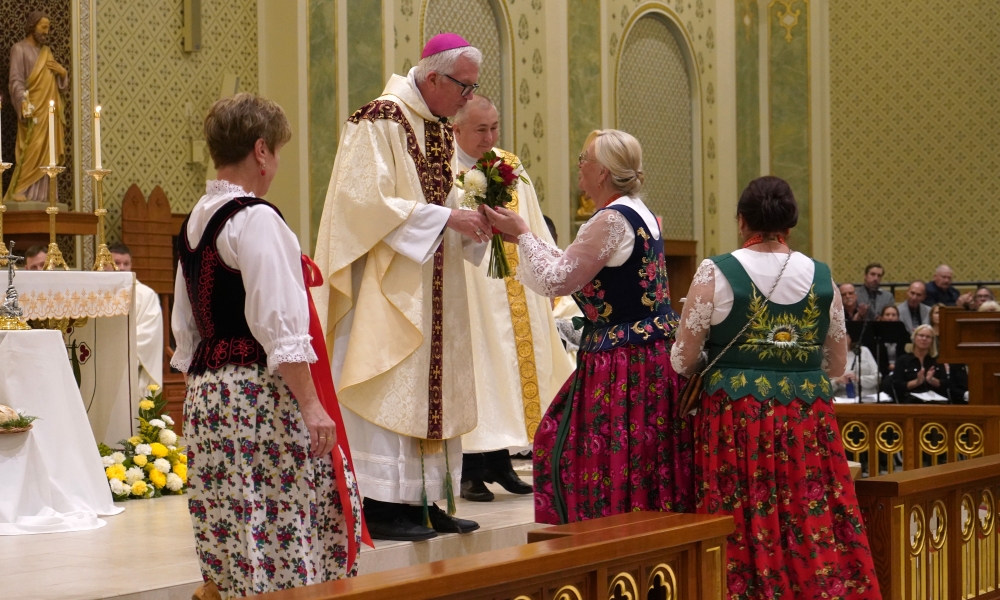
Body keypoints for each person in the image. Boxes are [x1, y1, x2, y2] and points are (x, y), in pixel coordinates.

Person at [171, 94, 362, 598]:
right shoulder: (256, 219)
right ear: (260, 151)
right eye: (276, 151)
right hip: (259, 397)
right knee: (287, 523)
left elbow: (186, 328)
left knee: (234, 525)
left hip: (209, 398)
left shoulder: (196, 220)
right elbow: (278, 324)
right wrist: (311, 404)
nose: (276, 163)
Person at [312, 33, 489, 541]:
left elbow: (446, 195)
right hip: (389, 287)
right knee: (393, 381)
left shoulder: (436, 127)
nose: (468, 99)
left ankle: (426, 500)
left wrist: (474, 218)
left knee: (432, 388)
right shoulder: (379, 120)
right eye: (464, 87)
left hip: (437, 281)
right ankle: (384, 504)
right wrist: (445, 218)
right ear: (434, 77)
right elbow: (362, 202)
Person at [670, 176, 879, 598]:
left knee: (741, 518)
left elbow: (682, 360)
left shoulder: (716, 270)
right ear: (791, 222)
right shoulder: (822, 277)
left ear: (742, 220)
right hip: (806, 419)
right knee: (810, 512)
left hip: (735, 419)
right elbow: (837, 364)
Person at [484, 129, 692, 525]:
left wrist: (523, 234)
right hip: (650, 352)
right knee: (643, 458)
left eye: (585, 159)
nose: (579, 165)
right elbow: (570, 265)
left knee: (584, 453)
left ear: (603, 173)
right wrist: (522, 235)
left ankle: (603, 542)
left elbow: (558, 280)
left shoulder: (610, 220)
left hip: (623, 362)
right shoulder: (638, 211)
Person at [452, 95, 574, 503]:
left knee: (510, 368)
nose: (491, 137)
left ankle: (500, 463)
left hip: (513, 285)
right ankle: (471, 469)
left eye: (495, 127)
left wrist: (540, 271)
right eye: (481, 130)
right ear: (456, 130)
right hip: (469, 285)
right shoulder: (443, 165)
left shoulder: (508, 164)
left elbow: (533, 222)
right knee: (479, 371)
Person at [5, 11, 68, 203]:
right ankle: (20, 188)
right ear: (33, 26)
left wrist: (63, 73)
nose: (46, 32)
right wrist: (22, 102)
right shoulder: (19, 49)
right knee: (32, 148)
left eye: (48, 28)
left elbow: (56, 83)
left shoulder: (46, 52)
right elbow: (15, 80)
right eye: (43, 27)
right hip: (32, 110)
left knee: (47, 152)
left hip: (48, 112)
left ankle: (43, 194)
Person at [104, 242, 163, 390]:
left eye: (126, 263)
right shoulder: (95, 294)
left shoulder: (146, 295)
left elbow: (148, 334)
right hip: (101, 366)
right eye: (116, 263)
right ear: (104, 265)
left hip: (131, 370)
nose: (122, 268)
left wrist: (115, 350)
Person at [892, 325, 945, 403]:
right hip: (910, 401)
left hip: (934, 402)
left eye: (928, 337)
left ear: (932, 341)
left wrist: (931, 380)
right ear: (914, 337)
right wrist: (917, 382)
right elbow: (897, 385)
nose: (924, 339)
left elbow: (946, 385)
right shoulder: (903, 360)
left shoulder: (937, 360)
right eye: (921, 335)